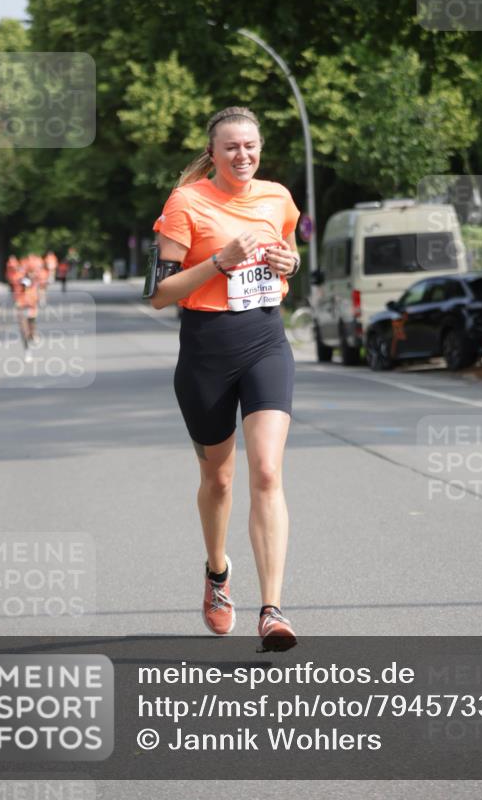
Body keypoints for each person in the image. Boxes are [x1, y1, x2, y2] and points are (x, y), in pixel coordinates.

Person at [150, 106, 301, 651]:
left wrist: (290, 263)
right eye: (232, 147)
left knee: (266, 470)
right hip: (206, 351)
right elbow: (159, 295)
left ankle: (273, 610)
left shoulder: (277, 197)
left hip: (266, 341)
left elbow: (289, 250)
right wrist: (218, 261)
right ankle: (218, 575)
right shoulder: (185, 204)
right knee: (219, 480)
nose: (243, 156)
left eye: (252, 146)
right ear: (212, 153)